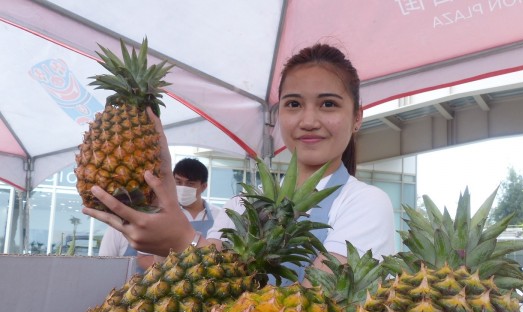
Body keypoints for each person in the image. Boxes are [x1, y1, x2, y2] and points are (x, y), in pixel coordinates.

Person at [84, 43, 396, 282]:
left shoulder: (366, 203)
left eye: (328, 104)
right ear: (279, 116)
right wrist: (163, 184)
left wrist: (183, 241)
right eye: (294, 104)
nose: (309, 120)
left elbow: (317, 303)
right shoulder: (242, 204)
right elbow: (205, 284)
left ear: (357, 118)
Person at [98, 158, 220, 271]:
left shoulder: (219, 216)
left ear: (203, 186)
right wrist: (175, 271)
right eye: (178, 182)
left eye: (190, 184)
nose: (183, 187)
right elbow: (143, 258)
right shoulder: (158, 213)